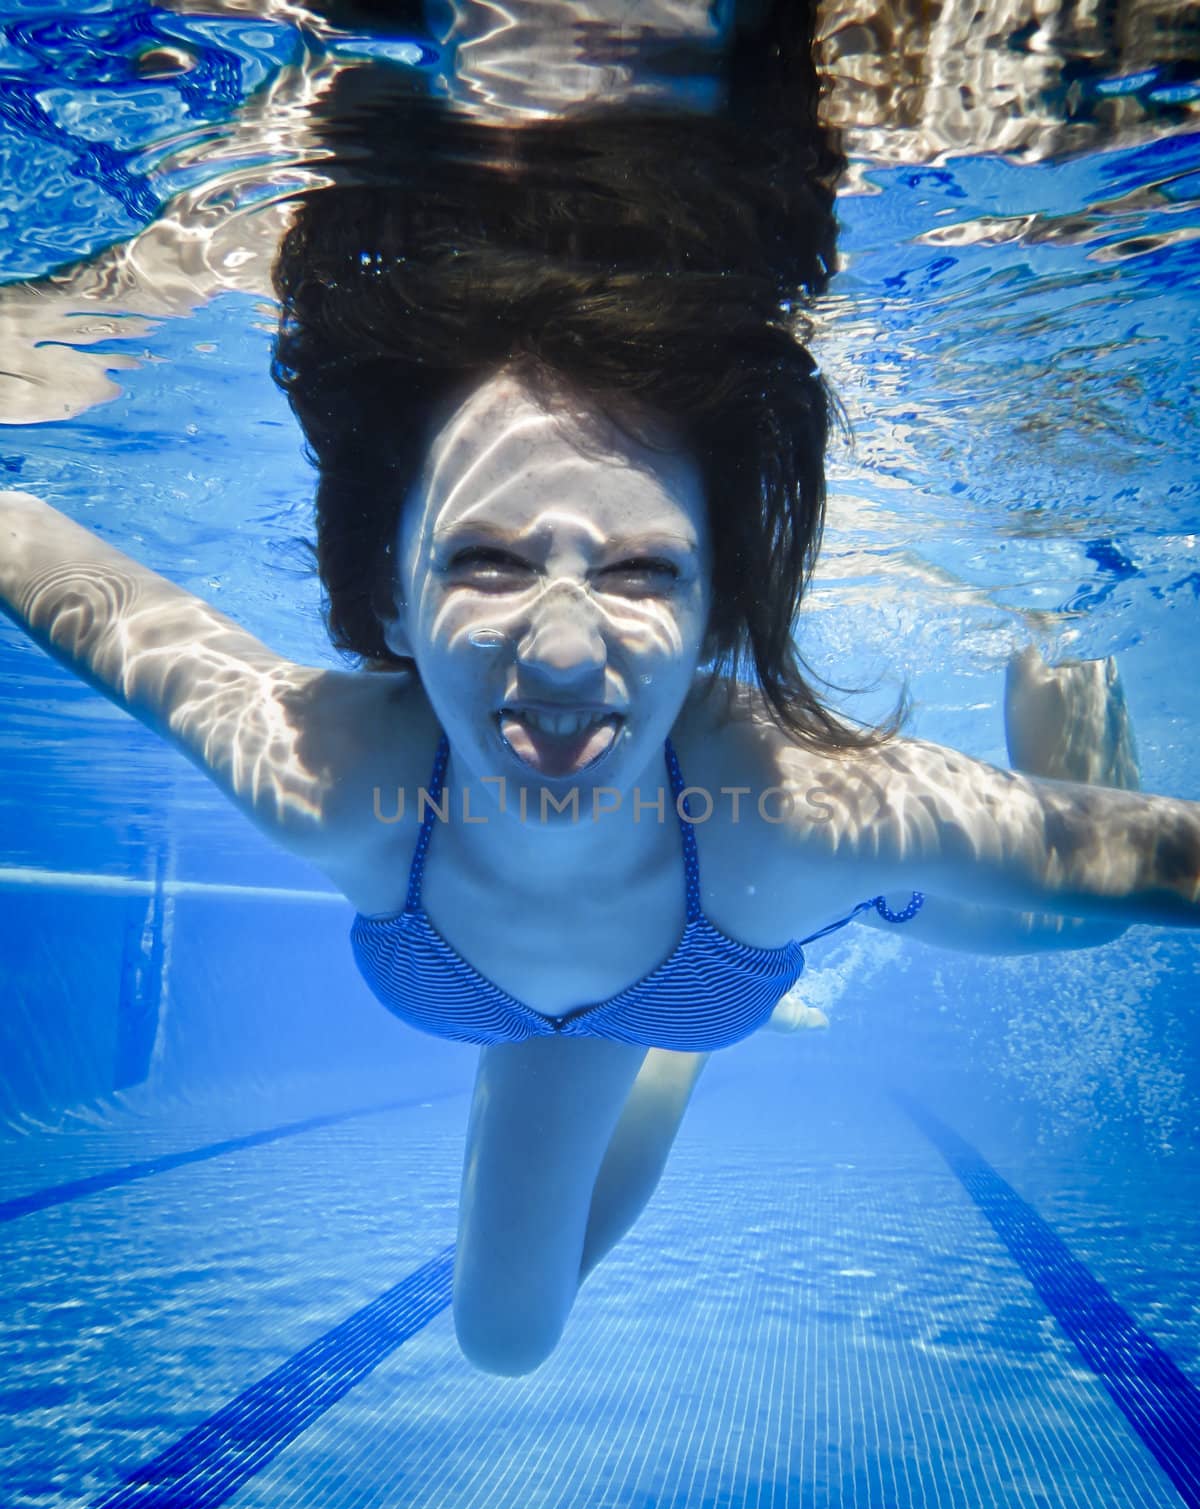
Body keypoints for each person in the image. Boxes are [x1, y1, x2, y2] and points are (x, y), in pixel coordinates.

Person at [2, 13, 1197, 1381]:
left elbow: (1168, 859)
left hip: (740, 920)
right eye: (490, 560)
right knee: (506, 1339)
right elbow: (31, 546)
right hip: (613, 994)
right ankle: (678, 1051)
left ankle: (1067, 645)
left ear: (712, 622)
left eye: (640, 571)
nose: (563, 657)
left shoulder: (807, 814)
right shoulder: (319, 770)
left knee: (1085, 918)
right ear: (388, 597)